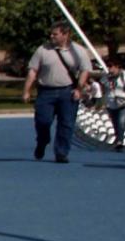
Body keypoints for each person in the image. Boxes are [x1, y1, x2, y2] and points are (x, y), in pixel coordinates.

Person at [22, 21, 89, 163]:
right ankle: (42, 141)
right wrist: (27, 90)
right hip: (46, 92)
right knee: (43, 121)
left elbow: (84, 71)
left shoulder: (79, 51)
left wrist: (79, 89)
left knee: (66, 124)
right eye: (51, 33)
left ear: (65, 34)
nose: (51, 36)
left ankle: (61, 153)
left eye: (55, 34)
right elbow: (33, 71)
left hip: (68, 91)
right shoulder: (43, 50)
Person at [101, 55, 125, 149]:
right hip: (111, 103)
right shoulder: (105, 78)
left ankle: (120, 141)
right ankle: (118, 138)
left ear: (117, 66)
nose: (109, 68)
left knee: (121, 121)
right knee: (115, 123)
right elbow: (103, 90)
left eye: (111, 66)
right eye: (108, 66)